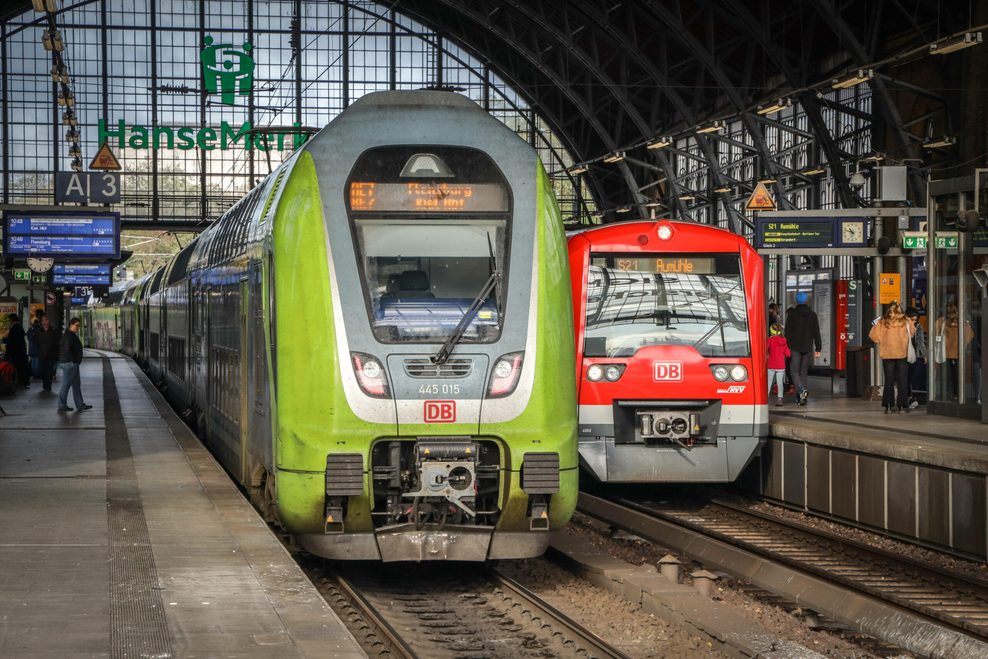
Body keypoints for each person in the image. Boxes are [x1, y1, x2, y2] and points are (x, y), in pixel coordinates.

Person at [869, 301, 913, 413]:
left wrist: (882, 341)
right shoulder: (906, 321)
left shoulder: (882, 321)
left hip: (887, 354)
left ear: (888, 310)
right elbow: (912, 332)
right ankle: (902, 405)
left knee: (889, 380)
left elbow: (873, 335)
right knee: (903, 379)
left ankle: (888, 405)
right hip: (902, 353)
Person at [784, 292, 821, 405]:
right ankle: (801, 399)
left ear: (796, 301)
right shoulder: (812, 315)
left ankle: (801, 390)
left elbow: (787, 333)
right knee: (803, 373)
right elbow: (816, 332)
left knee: (794, 372)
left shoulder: (792, 314)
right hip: (807, 347)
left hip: (794, 347)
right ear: (806, 301)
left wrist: (787, 347)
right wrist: (818, 348)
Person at [935, 302, 974, 399]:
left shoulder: (942, 322)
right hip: (958, 353)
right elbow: (970, 336)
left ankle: (948, 393)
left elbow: (934, 330)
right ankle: (957, 394)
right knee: (956, 375)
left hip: (945, 352)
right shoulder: (963, 323)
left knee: (946, 376)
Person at [57, 317, 92, 413]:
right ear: (71, 325)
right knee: (66, 384)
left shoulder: (68, 335)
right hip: (70, 364)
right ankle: (61, 405)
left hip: (70, 363)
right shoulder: (69, 336)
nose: (78, 328)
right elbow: (68, 350)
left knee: (76, 384)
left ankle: (80, 404)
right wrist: (74, 361)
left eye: (79, 326)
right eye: (76, 325)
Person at [905, 307, 927, 408]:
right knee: (907, 377)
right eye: (912, 319)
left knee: (915, 376)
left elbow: (920, 342)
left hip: (916, 355)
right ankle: (908, 397)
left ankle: (915, 397)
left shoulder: (918, 327)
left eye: (915, 319)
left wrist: (924, 355)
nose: (914, 321)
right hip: (905, 355)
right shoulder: (903, 326)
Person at [3, 312, 30, 388]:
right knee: (22, 367)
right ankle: (22, 382)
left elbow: (12, 341)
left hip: (16, 353)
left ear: (12, 320)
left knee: (17, 368)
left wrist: (5, 340)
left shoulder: (15, 328)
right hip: (20, 352)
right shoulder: (19, 327)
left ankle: (19, 382)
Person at [35, 314, 61, 392]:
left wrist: (56, 353)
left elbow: (57, 342)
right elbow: (35, 341)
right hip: (42, 354)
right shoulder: (38, 331)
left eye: (47, 319)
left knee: (49, 371)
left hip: (51, 355)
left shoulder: (54, 331)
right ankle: (45, 383)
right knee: (42, 371)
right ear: (42, 322)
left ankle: (48, 386)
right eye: (45, 320)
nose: (47, 321)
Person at [766, 323, 790, 406]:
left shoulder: (770, 340)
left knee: (769, 382)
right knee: (780, 383)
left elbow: (765, 348)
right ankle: (780, 399)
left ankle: (765, 399)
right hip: (781, 366)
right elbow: (788, 354)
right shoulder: (784, 341)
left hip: (771, 365)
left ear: (771, 331)